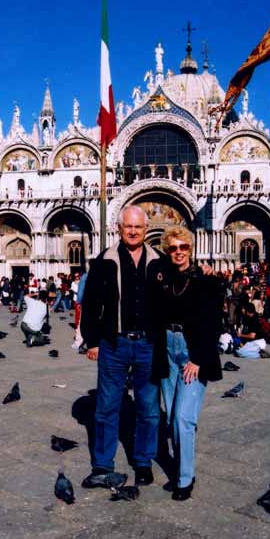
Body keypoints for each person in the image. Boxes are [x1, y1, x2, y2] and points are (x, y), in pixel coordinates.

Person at [80, 205, 165, 489]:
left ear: (145, 229)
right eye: (128, 226)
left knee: (149, 408)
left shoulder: (159, 261)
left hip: (148, 344)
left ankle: (142, 462)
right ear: (119, 228)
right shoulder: (104, 260)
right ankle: (103, 464)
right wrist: (91, 341)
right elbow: (90, 304)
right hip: (113, 343)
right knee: (105, 407)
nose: (132, 231)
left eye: (138, 227)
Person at [157, 226, 223, 500]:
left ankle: (185, 478)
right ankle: (183, 469)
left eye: (183, 247)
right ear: (167, 251)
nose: (179, 252)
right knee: (172, 417)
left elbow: (213, 323)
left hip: (192, 350)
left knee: (184, 416)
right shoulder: (163, 278)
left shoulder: (205, 280)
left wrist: (199, 358)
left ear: (190, 248)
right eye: (173, 248)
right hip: (167, 349)